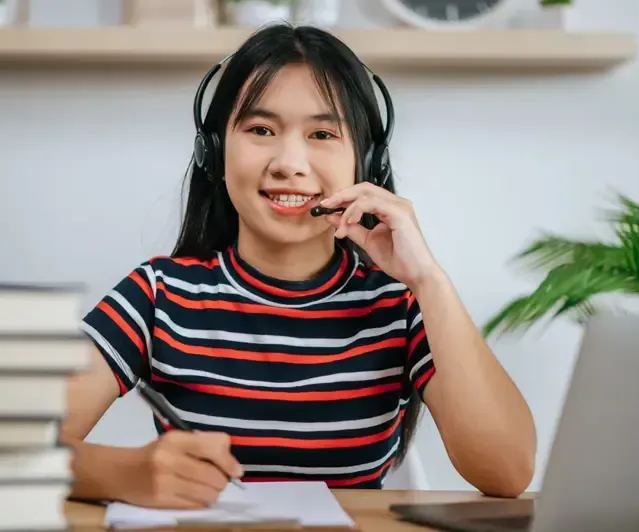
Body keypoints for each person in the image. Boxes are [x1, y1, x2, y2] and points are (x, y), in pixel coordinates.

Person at [61, 23, 536, 510]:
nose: (290, 162)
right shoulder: (158, 294)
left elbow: (508, 472)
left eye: (323, 133)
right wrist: (125, 472)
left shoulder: (400, 305)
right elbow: (15, 450)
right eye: (261, 130)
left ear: (366, 161)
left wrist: (428, 280)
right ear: (216, 152)